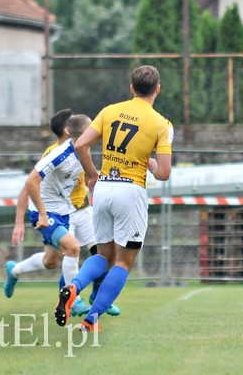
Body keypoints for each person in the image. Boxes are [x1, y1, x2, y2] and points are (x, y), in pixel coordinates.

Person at [56, 65, 173, 333]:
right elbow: (164, 173)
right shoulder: (161, 124)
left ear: (131, 88)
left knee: (104, 256)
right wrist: (152, 165)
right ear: (157, 89)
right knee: (123, 261)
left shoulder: (109, 111)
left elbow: (79, 145)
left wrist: (93, 175)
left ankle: (73, 287)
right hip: (130, 191)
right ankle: (91, 319)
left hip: (105, 187)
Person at [7, 109, 119, 317]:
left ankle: (14, 271)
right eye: (91, 128)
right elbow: (30, 182)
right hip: (47, 210)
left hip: (71, 209)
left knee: (54, 260)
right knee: (73, 248)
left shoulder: (83, 150)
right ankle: (73, 300)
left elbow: (92, 176)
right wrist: (36, 216)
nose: (96, 130)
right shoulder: (57, 154)